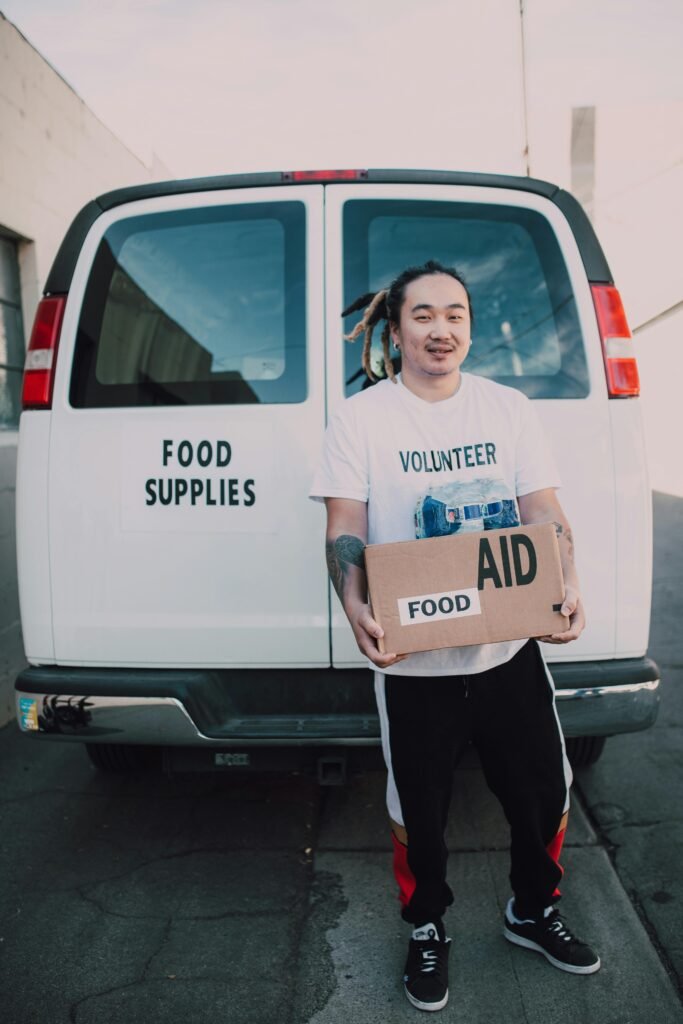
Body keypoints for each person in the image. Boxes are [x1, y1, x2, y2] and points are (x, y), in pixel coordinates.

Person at [310, 260, 600, 1013]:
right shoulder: (362, 419)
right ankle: (426, 926)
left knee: (541, 793)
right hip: (413, 662)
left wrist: (565, 581)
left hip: (506, 649)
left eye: (455, 315)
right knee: (421, 812)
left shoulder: (506, 409)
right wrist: (354, 605)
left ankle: (532, 911)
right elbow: (344, 528)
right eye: (423, 316)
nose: (441, 329)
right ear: (395, 329)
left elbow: (542, 507)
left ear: (468, 327)